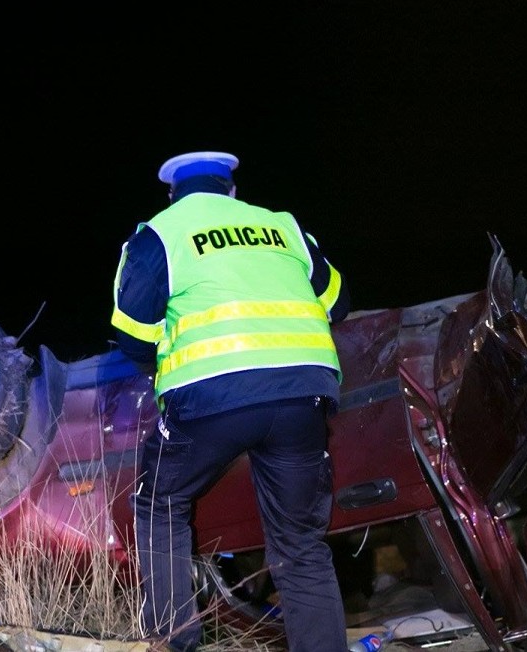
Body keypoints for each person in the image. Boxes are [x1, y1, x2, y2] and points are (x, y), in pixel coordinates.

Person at [110, 151, 351, 651]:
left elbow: (131, 333)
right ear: (232, 192)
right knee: (301, 546)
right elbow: (337, 302)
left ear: (173, 195)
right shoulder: (282, 227)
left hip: (210, 394)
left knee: (160, 503)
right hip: (302, 393)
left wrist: (166, 365)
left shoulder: (161, 234)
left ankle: (174, 642)